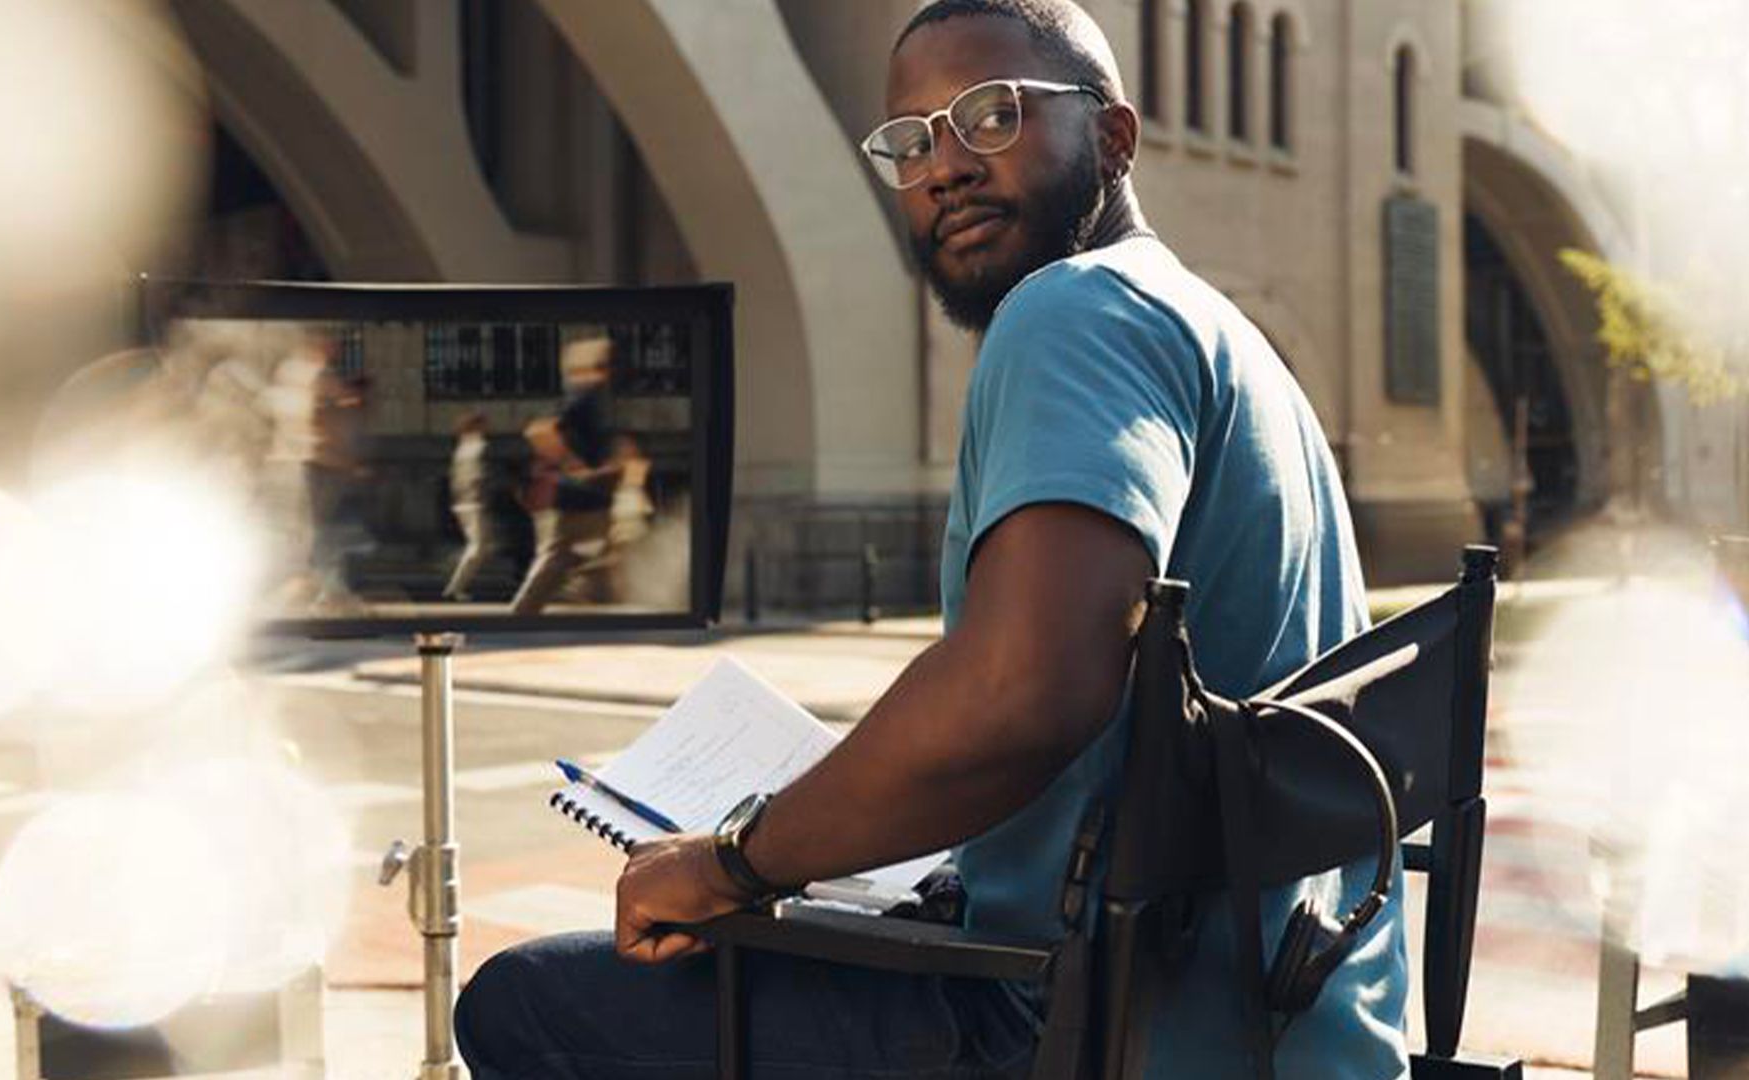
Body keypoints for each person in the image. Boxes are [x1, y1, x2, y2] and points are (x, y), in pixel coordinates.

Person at [456, 1, 1406, 1077]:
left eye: (990, 117)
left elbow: (1021, 693)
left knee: (525, 1003)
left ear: (1113, 137)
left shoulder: (1075, 310)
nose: (942, 166)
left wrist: (735, 858)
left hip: (1083, 1023)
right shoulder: (1221, 337)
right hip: (1271, 1014)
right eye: (910, 141)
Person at [509, 339, 624, 614]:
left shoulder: (594, 399)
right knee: (558, 560)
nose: (610, 371)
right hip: (575, 498)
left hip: (591, 499)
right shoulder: (583, 398)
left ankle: (573, 592)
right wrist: (575, 467)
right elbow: (539, 431)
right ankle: (521, 614)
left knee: (604, 553)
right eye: (604, 364)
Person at [442, 412, 495, 601]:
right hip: (474, 501)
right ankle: (454, 586)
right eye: (485, 423)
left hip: (464, 500)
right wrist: (481, 497)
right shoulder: (479, 446)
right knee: (478, 547)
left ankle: (452, 573)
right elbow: (478, 476)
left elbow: (458, 478)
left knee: (483, 546)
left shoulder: (462, 447)